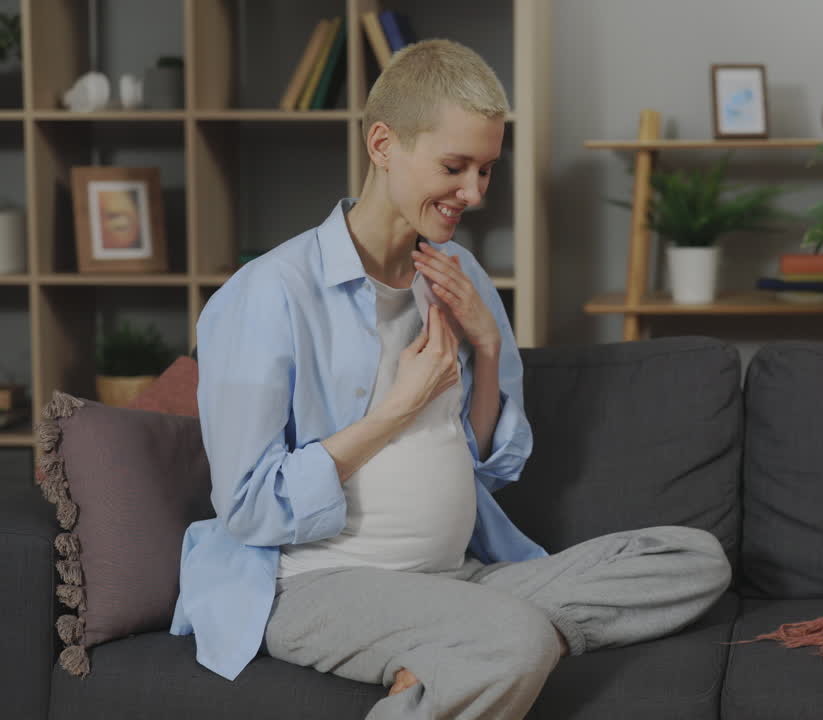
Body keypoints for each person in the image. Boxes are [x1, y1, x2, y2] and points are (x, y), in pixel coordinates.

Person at [170, 38, 731, 719]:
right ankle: (489, 643)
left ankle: (458, 649)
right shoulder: (268, 293)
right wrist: (394, 412)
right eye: (454, 167)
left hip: (457, 578)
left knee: (692, 558)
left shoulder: (460, 277)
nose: (474, 193)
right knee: (517, 637)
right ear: (383, 144)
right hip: (314, 583)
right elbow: (249, 505)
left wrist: (487, 349)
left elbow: (490, 469)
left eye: (486, 170)